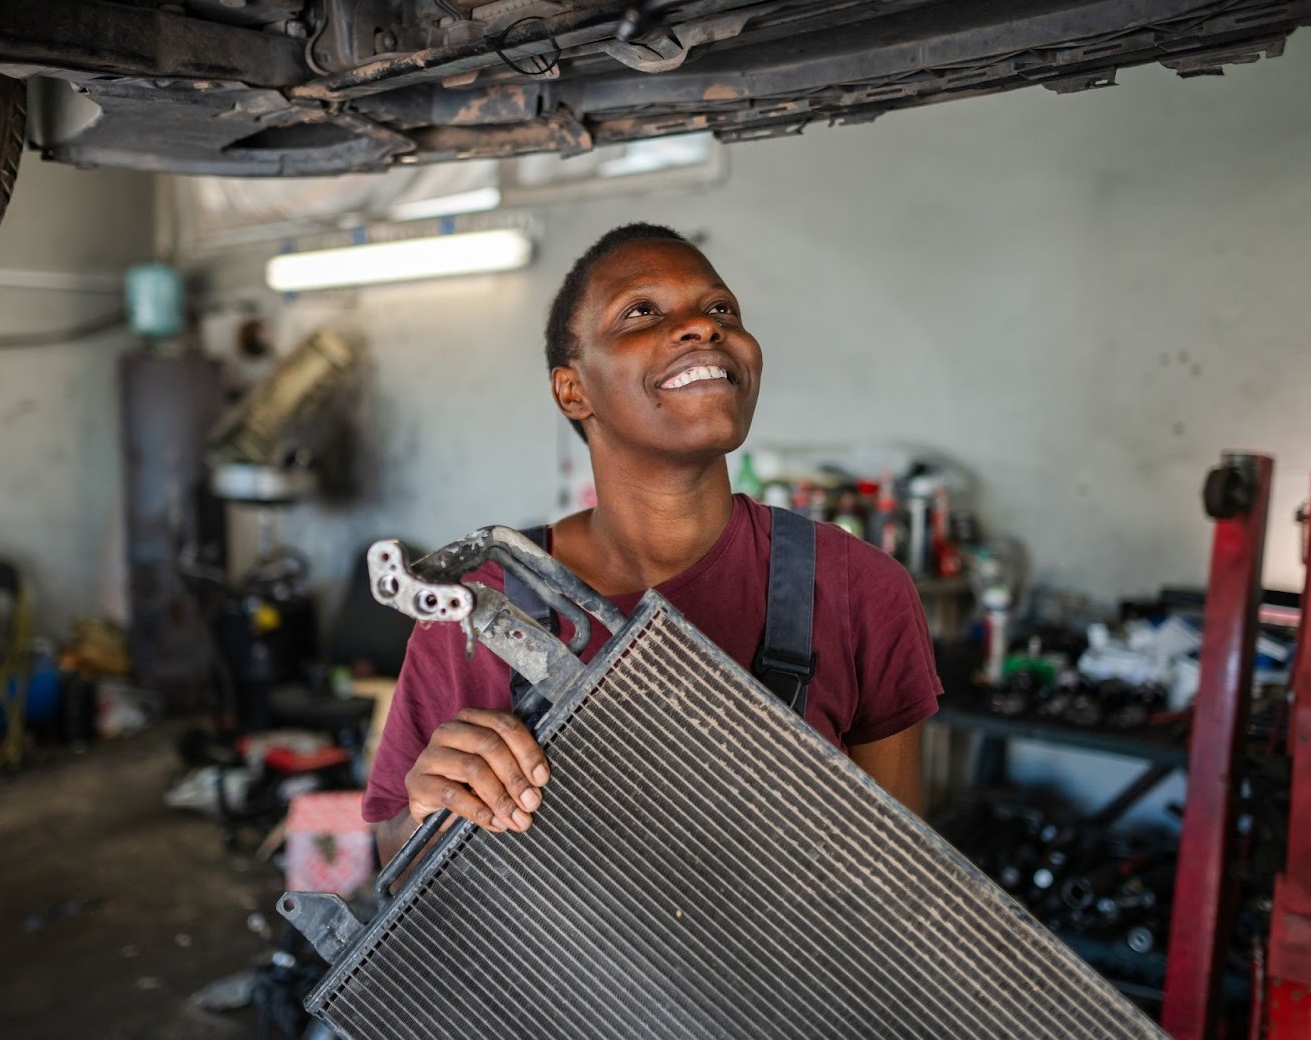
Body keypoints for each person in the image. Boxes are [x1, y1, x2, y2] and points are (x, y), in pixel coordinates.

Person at [362, 223, 942, 865]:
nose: (704, 327)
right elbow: (395, 862)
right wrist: (431, 814)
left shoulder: (859, 588)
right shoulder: (476, 606)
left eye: (721, 309)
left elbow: (904, 874)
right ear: (573, 390)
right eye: (641, 312)